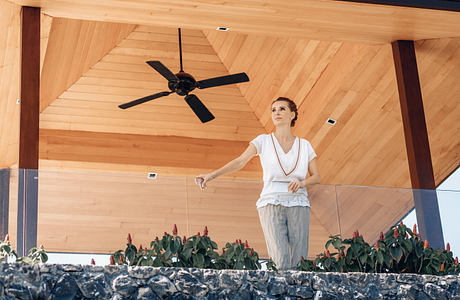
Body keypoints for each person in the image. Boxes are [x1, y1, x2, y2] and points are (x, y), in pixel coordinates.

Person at [195, 97, 320, 270]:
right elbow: (240, 162)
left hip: (299, 201)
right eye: (273, 109)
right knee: (280, 258)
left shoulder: (304, 145)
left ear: (292, 114)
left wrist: (302, 183)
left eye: (282, 109)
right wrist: (212, 175)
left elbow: (317, 177)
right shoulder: (263, 140)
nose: (276, 113)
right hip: (270, 202)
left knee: (299, 257)